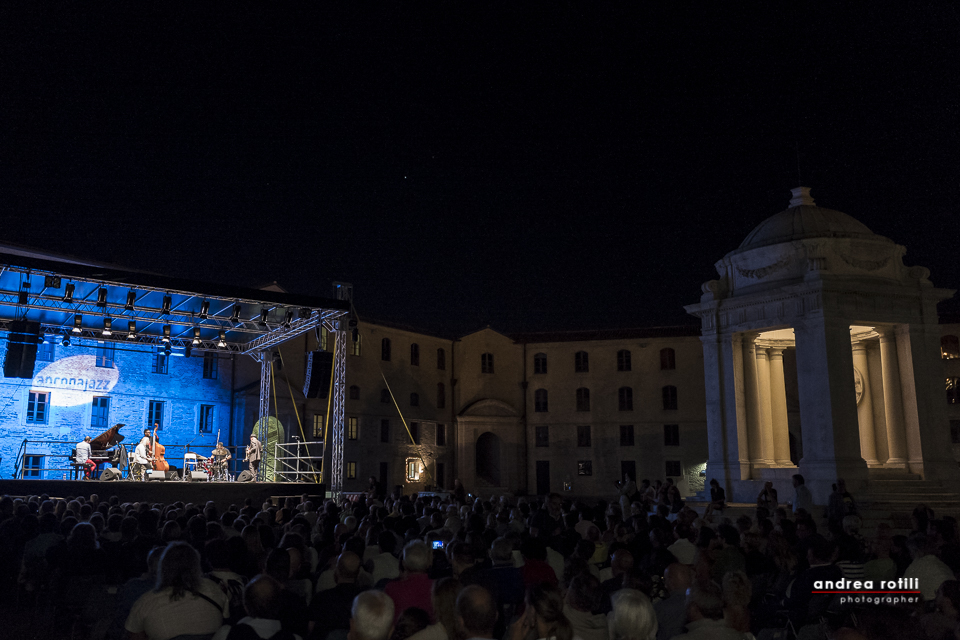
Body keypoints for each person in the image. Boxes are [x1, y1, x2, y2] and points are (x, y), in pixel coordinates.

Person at [124, 541, 229, 640]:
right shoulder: (213, 589)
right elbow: (225, 617)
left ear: (163, 567)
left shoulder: (146, 601)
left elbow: (134, 636)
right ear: (196, 565)